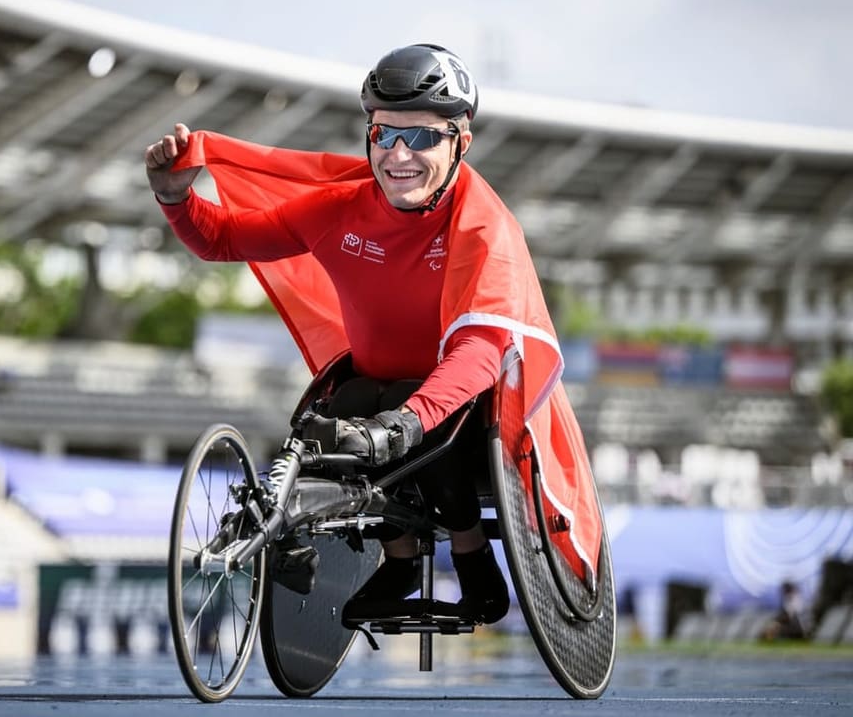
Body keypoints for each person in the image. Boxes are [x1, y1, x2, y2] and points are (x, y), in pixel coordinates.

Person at [145, 44, 600, 626]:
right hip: (374, 391)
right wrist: (173, 194)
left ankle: (470, 550)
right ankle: (400, 559)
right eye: (385, 135)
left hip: (463, 405)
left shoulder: (485, 226)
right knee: (350, 403)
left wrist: (405, 422)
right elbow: (222, 240)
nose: (399, 155)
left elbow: (482, 349)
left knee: (408, 416)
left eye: (423, 138)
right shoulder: (338, 208)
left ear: (461, 141)